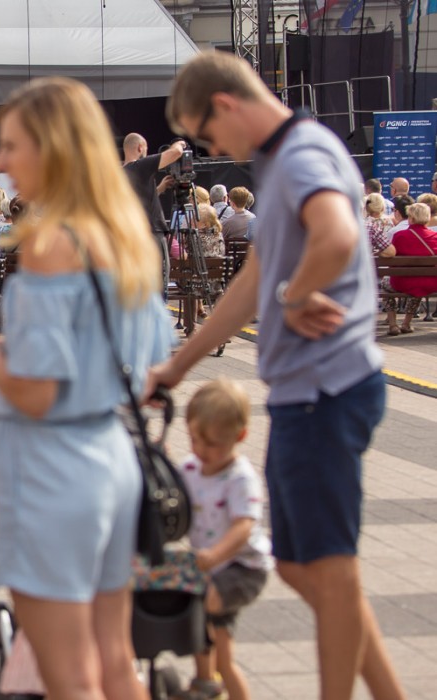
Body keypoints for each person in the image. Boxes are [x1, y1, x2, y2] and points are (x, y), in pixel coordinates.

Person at [153, 50, 405, 700]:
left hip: (326, 391)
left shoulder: (299, 156)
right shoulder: (287, 156)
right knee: (302, 567)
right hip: (310, 393)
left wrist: (295, 295)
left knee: (330, 571)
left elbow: (337, 236)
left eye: (207, 135)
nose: (213, 150)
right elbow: (254, 280)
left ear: (226, 104)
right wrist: (178, 366)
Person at [0, 77, 171, 700]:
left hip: (53, 468)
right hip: (112, 459)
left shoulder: (52, 245)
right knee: (115, 662)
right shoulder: (124, 237)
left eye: (11, 145)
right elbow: (146, 367)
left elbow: (39, 392)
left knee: (69, 678)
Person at [176, 379, 272, 700]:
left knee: (200, 602)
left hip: (243, 568)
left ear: (239, 437)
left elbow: (244, 526)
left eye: (212, 444)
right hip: (213, 569)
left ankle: (207, 681)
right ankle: (205, 679)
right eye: (194, 440)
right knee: (224, 658)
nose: (201, 450)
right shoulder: (191, 467)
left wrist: (215, 555)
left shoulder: (240, 478)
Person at [123, 133, 186, 291]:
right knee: (158, 284)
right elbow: (175, 153)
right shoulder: (140, 166)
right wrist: (179, 143)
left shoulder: (119, 173)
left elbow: (137, 202)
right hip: (152, 234)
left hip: (133, 235)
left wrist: (159, 189)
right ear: (140, 148)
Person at [383, 203, 437, 336]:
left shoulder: (400, 236)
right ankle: (406, 323)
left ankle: (393, 324)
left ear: (411, 218)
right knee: (418, 283)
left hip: (401, 283)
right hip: (430, 283)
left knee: (386, 284)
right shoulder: (435, 236)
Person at [363, 193, 395, 258]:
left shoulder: (365, 224)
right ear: (382, 207)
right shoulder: (389, 222)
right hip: (384, 260)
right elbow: (390, 250)